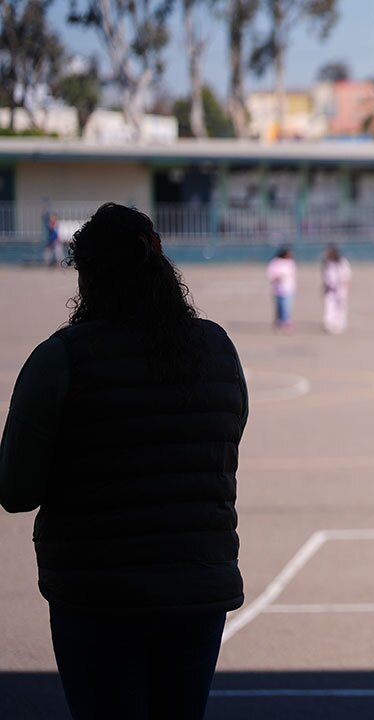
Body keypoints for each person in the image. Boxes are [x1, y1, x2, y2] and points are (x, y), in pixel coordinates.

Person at [0, 203, 249, 720]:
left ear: (87, 277)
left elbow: (16, 490)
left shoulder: (60, 359)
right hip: (197, 587)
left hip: (98, 594)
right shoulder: (218, 349)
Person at [321, 244, 352, 334]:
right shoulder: (326, 263)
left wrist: (346, 285)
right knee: (329, 305)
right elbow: (325, 275)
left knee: (340, 306)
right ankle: (329, 324)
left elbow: (347, 275)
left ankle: (340, 324)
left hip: (340, 287)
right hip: (330, 288)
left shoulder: (342, 262)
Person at [266, 246, 297, 332]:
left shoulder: (291, 263)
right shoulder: (275, 262)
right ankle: (279, 321)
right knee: (279, 307)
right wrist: (276, 278)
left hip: (288, 289)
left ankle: (287, 323)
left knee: (286, 307)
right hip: (277, 289)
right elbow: (270, 274)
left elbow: (292, 274)